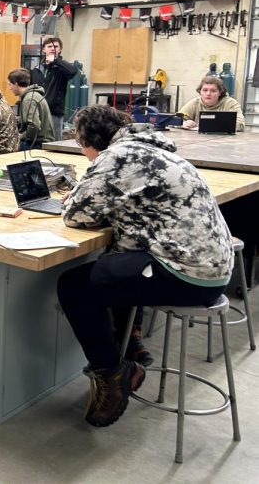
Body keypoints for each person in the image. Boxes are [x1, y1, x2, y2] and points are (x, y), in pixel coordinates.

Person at [57, 105, 233, 428]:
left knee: (74, 285)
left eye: (81, 145)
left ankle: (112, 374)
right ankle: (133, 347)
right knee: (119, 261)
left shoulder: (118, 156)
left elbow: (76, 215)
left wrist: (76, 195)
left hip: (188, 273)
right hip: (214, 267)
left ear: (91, 141)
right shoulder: (154, 150)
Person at [30, 37, 77, 141]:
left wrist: (55, 61)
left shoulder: (62, 69)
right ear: (43, 49)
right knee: (37, 141)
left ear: (60, 49)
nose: (52, 49)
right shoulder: (36, 69)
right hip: (37, 112)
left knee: (54, 141)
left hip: (54, 113)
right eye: (49, 46)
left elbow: (73, 71)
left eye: (55, 46)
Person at [7, 67, 54, 149]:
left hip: (38, 144)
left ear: (16, 84)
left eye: (10, 84)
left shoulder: (29, 99)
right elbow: (30, 119)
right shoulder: (34, 94)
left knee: (5, 147)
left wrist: (19, 137)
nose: (9, 88)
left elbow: (34, 125)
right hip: (43, 140)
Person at [179, 75, 246, 132]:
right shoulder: (195, 103)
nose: (208, 94)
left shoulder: (230, 103)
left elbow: (240, 124)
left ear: (220, 92)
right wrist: (183, 123)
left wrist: (210, 125)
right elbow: (175, 119)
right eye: (205, 90)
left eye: (213, 91)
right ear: (200, 91)